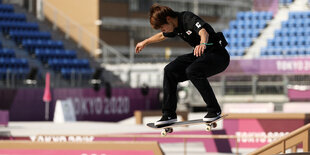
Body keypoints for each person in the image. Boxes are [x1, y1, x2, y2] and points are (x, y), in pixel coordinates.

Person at [135, 4, 230, 126]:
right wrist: (145, 42)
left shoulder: (187, 18)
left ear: (168, 19)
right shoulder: (174, 27)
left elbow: (203, 32)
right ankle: (168, 114)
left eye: (162, 27)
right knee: (170, 70)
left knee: (192, 71)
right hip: (201, 55)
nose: (162, 31)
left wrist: (202, 44)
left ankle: (214, 110)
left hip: (218, 55)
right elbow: (161, 36)